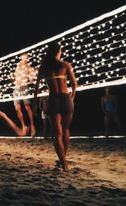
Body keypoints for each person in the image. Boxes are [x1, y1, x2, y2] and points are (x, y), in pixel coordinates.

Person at [33, 42, 77, 172]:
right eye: (61, 50)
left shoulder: (44, 67)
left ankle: (63, 163)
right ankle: (63, 158)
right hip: (65, 98)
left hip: (53, 99)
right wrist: (72, 98)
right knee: (66, 129)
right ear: (58, 51)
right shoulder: (65, 65)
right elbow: (74, 84)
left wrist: (35, 103)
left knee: (57, 133)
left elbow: (36, 89)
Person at [12, 53, 36, 137]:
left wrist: (32, 76)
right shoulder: (17, 67)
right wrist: (12, 79)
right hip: (17, 88)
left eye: (25, 57)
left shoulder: (29, 67)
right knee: (17, 108)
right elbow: (14, 79)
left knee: (27, 107)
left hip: (24, 87)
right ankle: (23, 126)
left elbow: (32, 80)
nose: (24, 59)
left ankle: (32, 126)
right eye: (23, 57)